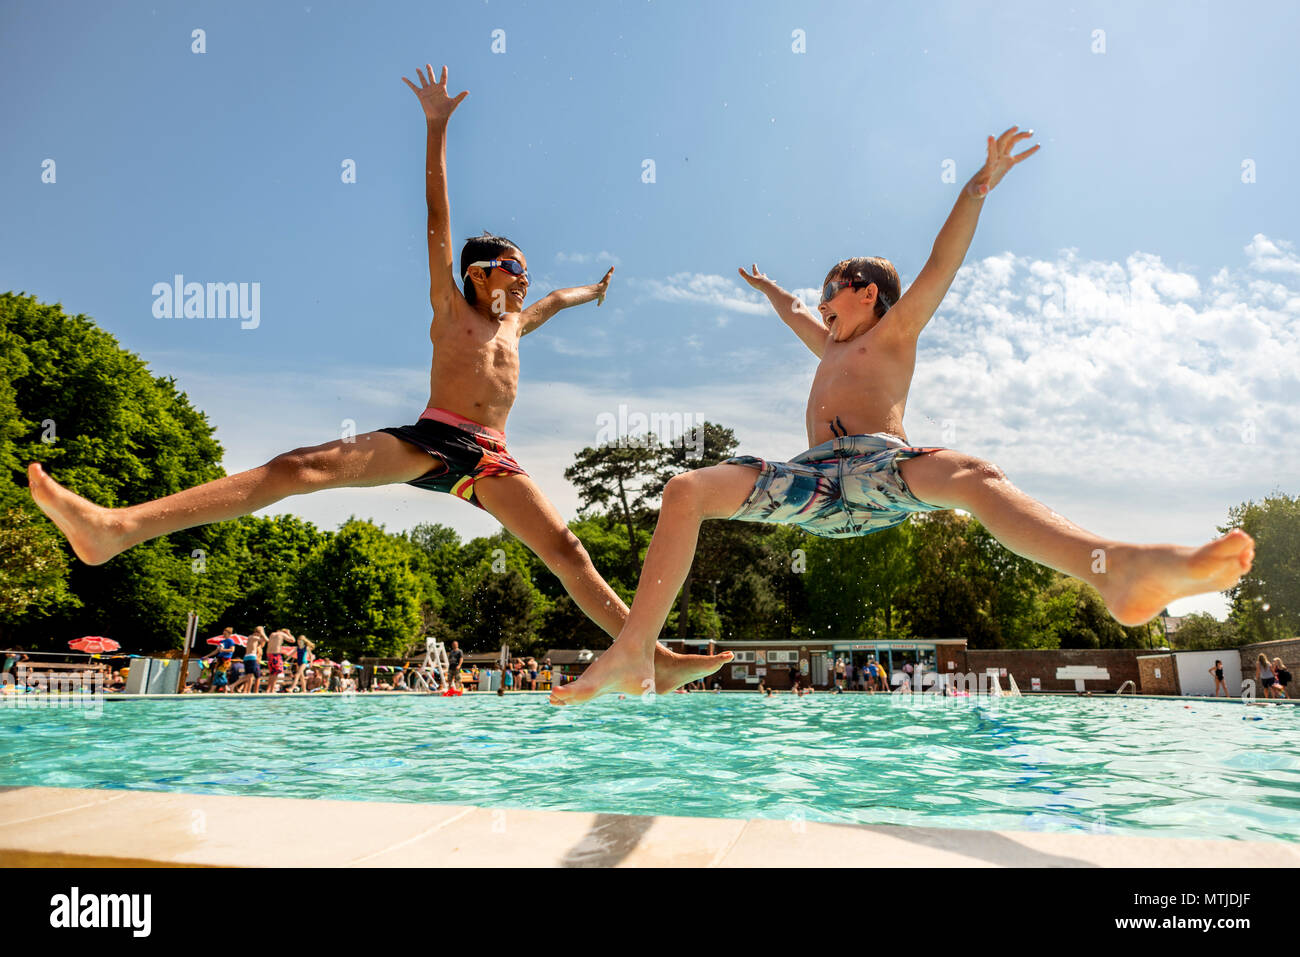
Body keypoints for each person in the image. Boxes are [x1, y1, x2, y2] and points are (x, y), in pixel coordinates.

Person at [25, 61, 730, 700]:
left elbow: (557, 301)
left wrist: (593, 293)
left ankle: (650, 654)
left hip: (492, 457)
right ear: (480, 274)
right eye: (515, 268)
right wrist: (436, 129)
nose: (525, 281)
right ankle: (114, 528)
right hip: (432, 436)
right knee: (302, 466)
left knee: (569, 552)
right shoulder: (450, 304)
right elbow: (437, 218)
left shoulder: (517, 324)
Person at [551, 127, 1256, 707]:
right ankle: (637, 650)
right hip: (815, 487)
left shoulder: (894, 332)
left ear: (866, 293)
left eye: (831, 288)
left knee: (975, 476)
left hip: (882, 470)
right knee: (684, 490)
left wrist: (974, 188)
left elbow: (941, 262)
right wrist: (770, 290)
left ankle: (1113, 568)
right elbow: (796, 313)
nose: (819, 301)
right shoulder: (827, 342)